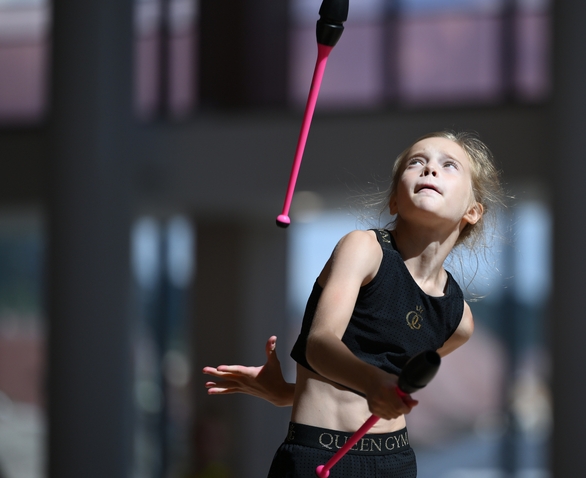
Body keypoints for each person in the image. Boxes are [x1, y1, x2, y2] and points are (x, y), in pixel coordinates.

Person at [203, 130, 505, 477]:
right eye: (416, 162)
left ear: (473, 211)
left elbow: (385, 377)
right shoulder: (364, 249)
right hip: (316, 455)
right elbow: (319, 344)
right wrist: (360, 386)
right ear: (394, 200)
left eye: (449, 165)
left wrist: (290, 392)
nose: (429, 170)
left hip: (396, 462)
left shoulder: (458, 321)